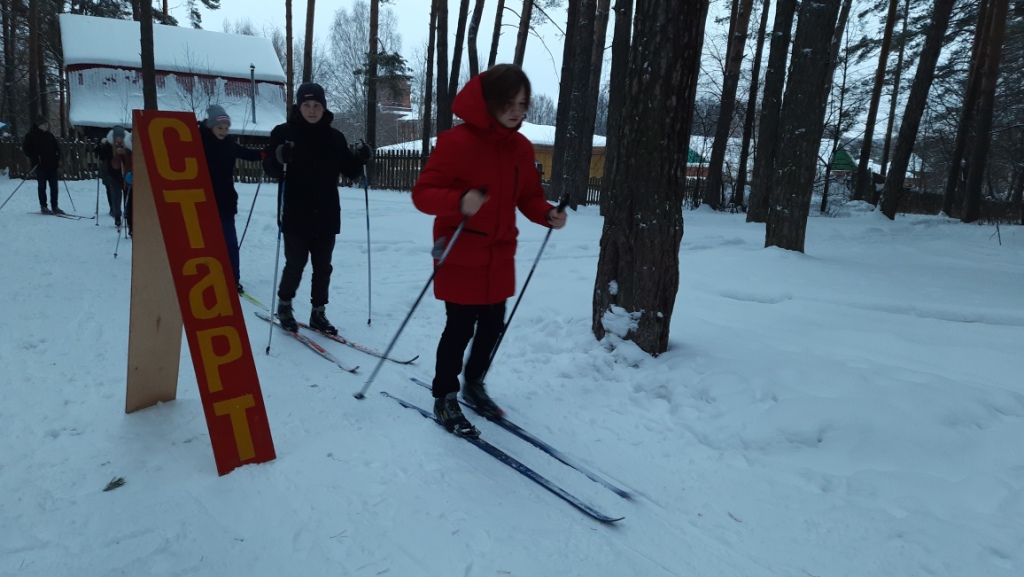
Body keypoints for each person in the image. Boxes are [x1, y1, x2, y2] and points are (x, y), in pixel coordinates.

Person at [411, 64, 568, 438]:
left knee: (493, 326)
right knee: (459, 328)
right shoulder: (456, 142)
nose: (517, 111)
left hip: (499, 255)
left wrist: (547, 214)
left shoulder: (521, 148)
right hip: (460, 252)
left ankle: (474, 383)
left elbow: (528, 196)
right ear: (488, 102)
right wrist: (458, 201)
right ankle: (445, 395)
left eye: (522, 104)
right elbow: (423, 194)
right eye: (508, 103)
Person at [262, 82, 372, 335]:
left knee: (323, 268)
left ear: (324, 108)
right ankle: (285, 306)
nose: (312, 110)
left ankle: (318, 312)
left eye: (317, 105)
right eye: (307, 105)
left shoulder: (335, 138)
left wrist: (361, 158)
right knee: (295, 264)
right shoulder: (283, 133)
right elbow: (270, 169)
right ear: (299, 107)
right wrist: (278, 156)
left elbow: (351, 171)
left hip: (326, 214)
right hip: (295, 212)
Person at [199, 104, 264, 294]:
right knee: (206, 242)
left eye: (226, 128)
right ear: (210, 126)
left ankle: (233, 279)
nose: (223, 131)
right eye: (219, 127)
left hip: (226, 202)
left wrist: (266, 153)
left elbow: (249, 154)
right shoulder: (198, 141)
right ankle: (205, 277)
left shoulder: (229, 144)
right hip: (203, 201)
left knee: (229, 243)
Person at [22, 116, 62, 215]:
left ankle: (55, 206)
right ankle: (44, 206)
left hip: (52, 165)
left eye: (47, 124)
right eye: (44, 124)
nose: (46, 126)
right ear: (39, 125)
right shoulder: (31, 136)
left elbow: (57, 148)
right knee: (42, 186)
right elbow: (27, 149)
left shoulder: (50, 136)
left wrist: (57, 158)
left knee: (54, 187)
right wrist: (35, 158)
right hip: (40, 165)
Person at [97, 126, 132, 229]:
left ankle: (128, 215)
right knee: (116, 197)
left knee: (127, 197)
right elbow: (101, 156)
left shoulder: (127, 145)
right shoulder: (108, 146)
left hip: (126, 176)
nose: (119, 139)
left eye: (121, 137)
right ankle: (117, 217)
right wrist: (100, 147)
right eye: (117, 137)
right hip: (113, 175)